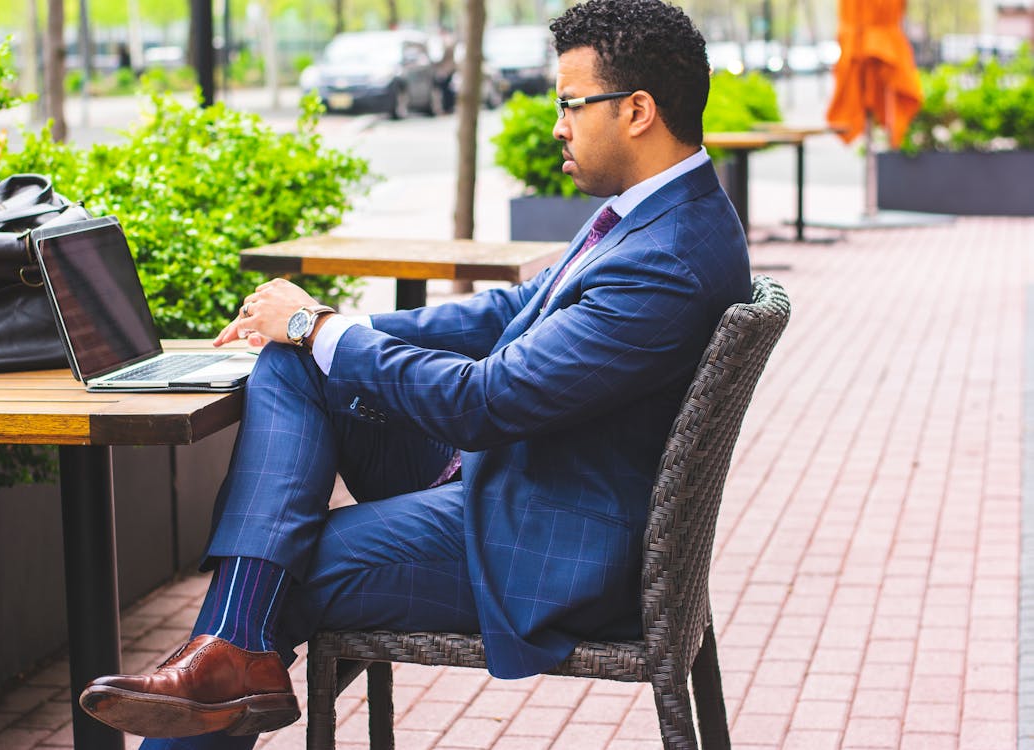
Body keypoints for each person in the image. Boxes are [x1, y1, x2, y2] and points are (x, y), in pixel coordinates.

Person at [79, 0, 751, 746]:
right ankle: (231, 651)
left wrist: (315, 326)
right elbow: (509, 311)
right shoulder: (660, 215)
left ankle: (231, 650)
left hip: (543, 546)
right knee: (295, 365)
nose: (558, 123)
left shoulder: (666, 260)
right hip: (518, 482)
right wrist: (331, 327)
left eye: (568, 102)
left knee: (282, 571)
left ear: (636, 111)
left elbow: (488, 403)